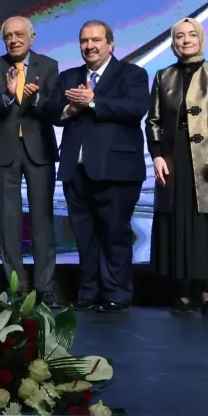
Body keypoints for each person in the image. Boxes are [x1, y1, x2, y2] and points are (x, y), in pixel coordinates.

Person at [46, 20, 149, 312]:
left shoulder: (132, 74)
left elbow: (135, 109)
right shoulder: (69, 77)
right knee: (84, 236)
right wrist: (71, 108)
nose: (89, 46)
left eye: (96, 40)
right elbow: (51, 111)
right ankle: (89, 292)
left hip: (116, 171)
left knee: (115, 234)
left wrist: (93, 102)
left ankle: (116, 293)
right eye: (84, 41)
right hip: (75, 171)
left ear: (110, 44)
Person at [147, 18, 208, 315]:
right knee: (180, 224)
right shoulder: (163, 76)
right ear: (173, 42)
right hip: (174, 161)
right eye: (179, 36)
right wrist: (157, 155)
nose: (185, 40)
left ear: (201, 38)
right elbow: (153, 121)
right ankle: (184, 293)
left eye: (191, 35)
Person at [0, 17, 60, 304]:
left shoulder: (48, 66)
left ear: (32, 37)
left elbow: (55, 109)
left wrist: (36, 99)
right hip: (5, 151)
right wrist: (7, 95)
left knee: (42, 220)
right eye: (8, 36)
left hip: (40, 151)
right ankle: (13, 289)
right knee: (9, 220)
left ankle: (44, 287)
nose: (13, 40)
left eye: (18, 35)